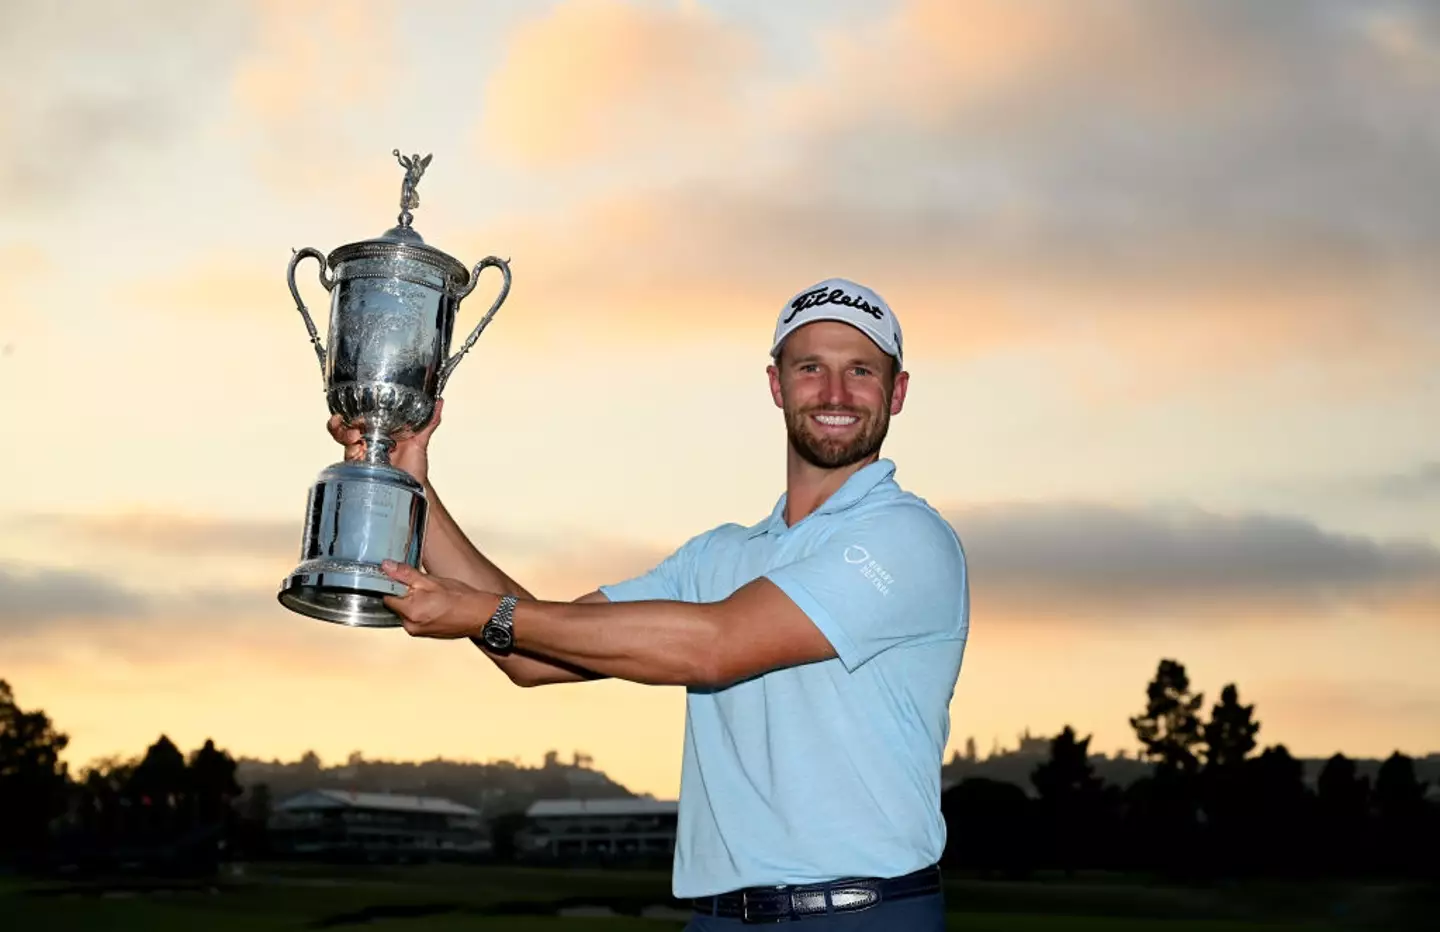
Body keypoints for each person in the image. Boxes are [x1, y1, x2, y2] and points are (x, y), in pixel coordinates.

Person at [329, 277, 970, 929]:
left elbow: (716, 646)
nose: (834, 393)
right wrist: (411, 486)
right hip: (719, 919)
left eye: (860, 370)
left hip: (863, 914)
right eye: (811, 368)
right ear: (777, 385)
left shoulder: (908, 538)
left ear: (897, 392)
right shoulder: (716, 556)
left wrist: (484, 614)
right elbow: (534, 653)